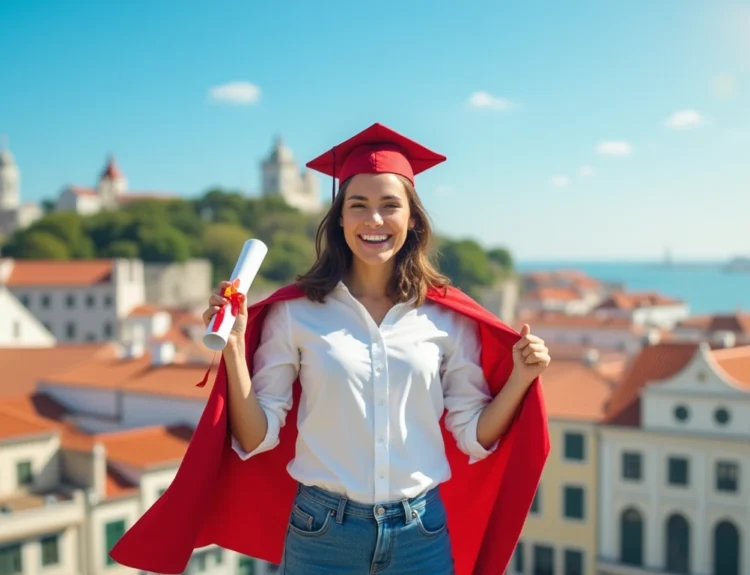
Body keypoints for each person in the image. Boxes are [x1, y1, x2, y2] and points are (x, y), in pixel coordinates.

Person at [109, 123, 551, 575]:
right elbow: (254, 436)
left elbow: (474, 437)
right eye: (357, 205)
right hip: (323, 534)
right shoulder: (295, 312)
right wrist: (235, 348)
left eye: (389, 206)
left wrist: (520, 378)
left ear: (413, 218)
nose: (373, 220)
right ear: (339, 218)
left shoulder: (448, 319)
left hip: (422, 535)